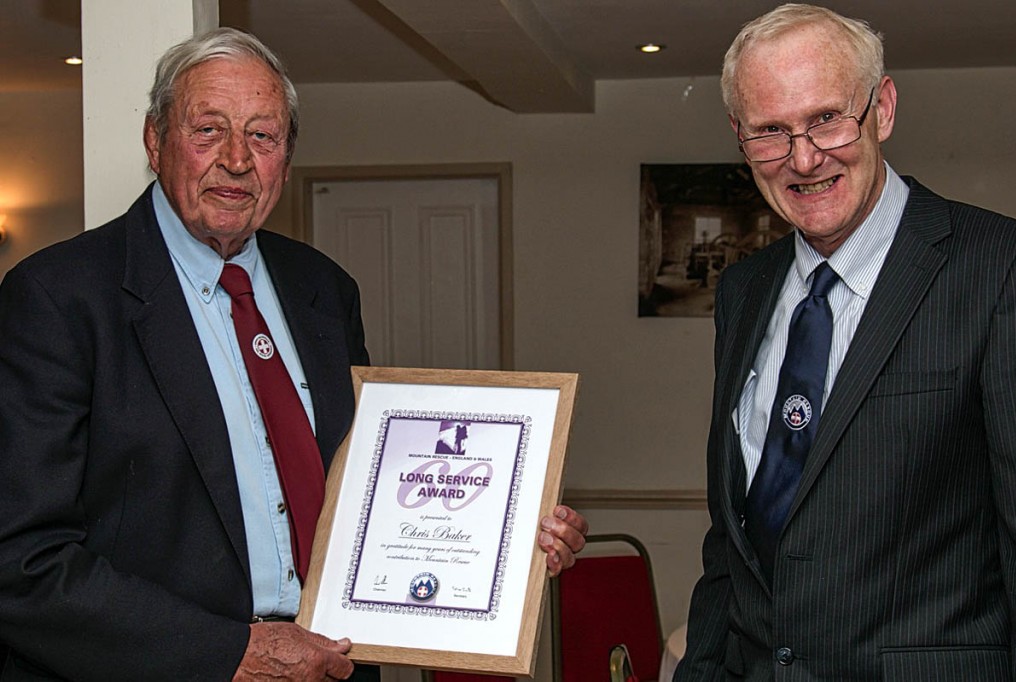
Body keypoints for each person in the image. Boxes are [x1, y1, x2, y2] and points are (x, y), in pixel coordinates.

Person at [0, 28, 588, 681]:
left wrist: (502, 534)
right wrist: (230, 654)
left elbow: (369, 489)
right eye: (208, 131)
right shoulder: (58, 297)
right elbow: (22, 559)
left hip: (332, 666)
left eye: (263, 135)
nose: (236, 159)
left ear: (287, 155)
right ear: (154, 139)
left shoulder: (324, 290)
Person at [676, 4, 1016, 680]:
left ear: (883, 107)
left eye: (827, 119)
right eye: (770, 131)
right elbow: (733, 546)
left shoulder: (1001, 268)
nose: (803, 158)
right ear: (739, 137)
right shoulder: (744, 292)